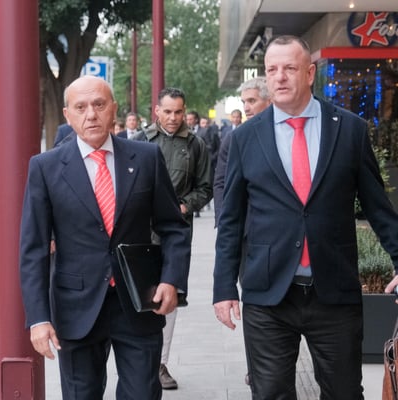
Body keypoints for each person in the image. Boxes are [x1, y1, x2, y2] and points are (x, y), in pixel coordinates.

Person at [213, 35, 398, 399]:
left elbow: (378, 208)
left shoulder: (349, 130)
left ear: (310, 73)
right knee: (270, 393)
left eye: (289, 68)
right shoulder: (245, 138)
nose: (279, 77)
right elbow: (231, 218)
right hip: (267, 294)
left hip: (334, 291)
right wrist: (223, 288)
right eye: (272, 70)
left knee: (344, 392)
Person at [19, 75, 192, 399]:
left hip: (139, 302)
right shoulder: (45, 167)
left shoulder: (146, 158)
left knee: (143, 393)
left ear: (113, 108)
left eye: (99, 105)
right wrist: (38, 318)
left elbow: (174, 227)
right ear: (67, 114)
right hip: (76, 307)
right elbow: (33, 249)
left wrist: (172, 280)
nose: (91, 115)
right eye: (80, 107)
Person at [133, 88, 212, 389]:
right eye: (167, 111)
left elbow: (205, 188)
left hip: (175, 235)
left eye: (178, 112)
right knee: (139, 297)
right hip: (139, 234)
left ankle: (160, 363)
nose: (173, 117)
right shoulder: (138, 141)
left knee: (169, 298)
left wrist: (183, 206)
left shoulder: (196, 145)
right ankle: (139, 360)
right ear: (157, 111)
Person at [213, 76, 270, 226]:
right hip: (245, 224)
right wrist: (222, 222)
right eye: (243, 102)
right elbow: (221, 183)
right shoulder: (234, 138)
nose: (246, 108)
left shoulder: (286, 134)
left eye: (252, 101)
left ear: (269, 101)